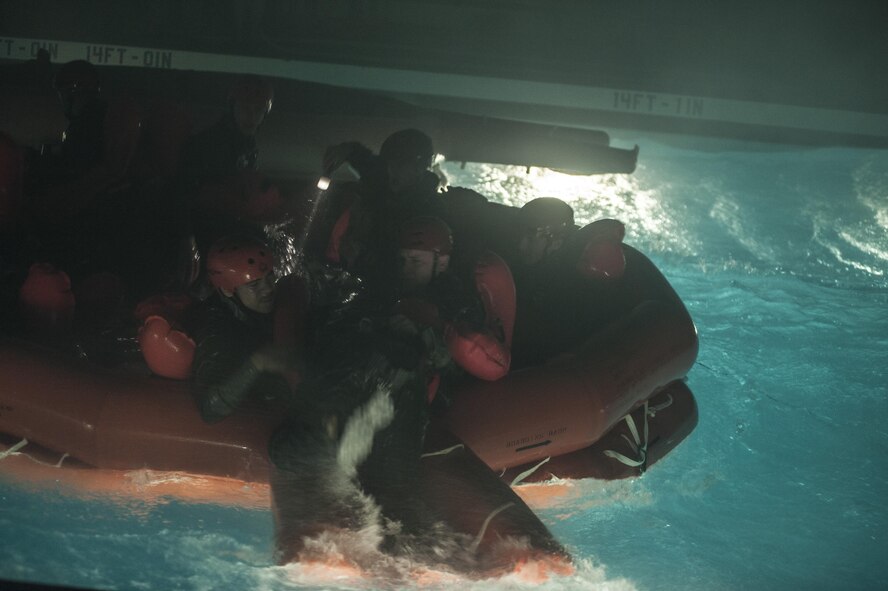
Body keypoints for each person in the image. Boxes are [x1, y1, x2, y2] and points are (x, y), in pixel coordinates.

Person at [269, 215, 513, 562]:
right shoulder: (385, 289)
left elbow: (454, 358)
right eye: (403, 260)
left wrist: (430, 332)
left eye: (416, 261)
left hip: (411, 389)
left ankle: (407, 541)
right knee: (300, 445)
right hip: (368, 376)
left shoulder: (452, 301)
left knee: (387, 405)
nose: (407, 267)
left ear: (440, 263)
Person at [190, 234, 305, 423]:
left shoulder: (277, 302)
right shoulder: (215, 327)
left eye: (269, 278)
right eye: (254, 285)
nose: (268, 289)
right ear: (227, 290)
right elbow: (210, 408)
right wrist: (256, 364)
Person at [509, 197, 627, 368]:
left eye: (530, 237)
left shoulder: (572, 289)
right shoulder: (531, 264)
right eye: (520, 235)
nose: (520, 245)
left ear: (556, 242)